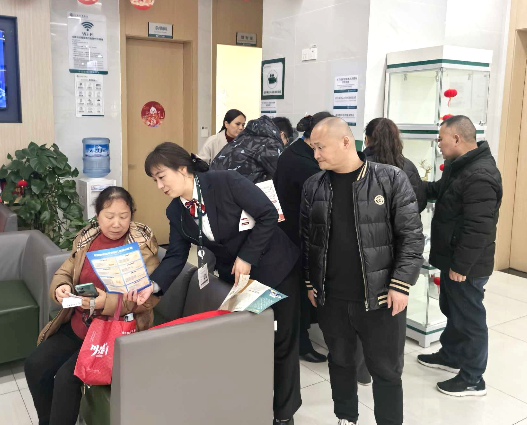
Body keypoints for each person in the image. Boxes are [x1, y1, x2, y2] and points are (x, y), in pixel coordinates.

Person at [138, 142, 301, 424]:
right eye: (154, 180)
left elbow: (267, 214)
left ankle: (284, 415)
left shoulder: (225, 182)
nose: (159, 186)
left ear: (182, 169)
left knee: (282, 341)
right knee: (249, 342)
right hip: (238, 280)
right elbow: (175, 255)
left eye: (162, 176)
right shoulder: (176, 211)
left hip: (275, 268)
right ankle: (252, 405)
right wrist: (152, 286)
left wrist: (247, 256)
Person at [300, 117, 424, 425]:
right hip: (332, 297)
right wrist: (310, 281)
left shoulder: (390, 178)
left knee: (386, 369)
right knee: (340, 362)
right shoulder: (314, 185)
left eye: (320, 147)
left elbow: (411, 237)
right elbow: (307, 239)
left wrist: (401, 283)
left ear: (346, 142)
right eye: (313, 148)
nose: (316, 154)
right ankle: (346, 417)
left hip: (380, 297)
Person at [24, 187, 161, 425]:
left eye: (124, 216)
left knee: (66, 379)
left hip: (114, 333)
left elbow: (148, 299)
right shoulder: (87, 239)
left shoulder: (142, 247)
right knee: (35, 365)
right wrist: (61, 287)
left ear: (132, 215)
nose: (117, 223)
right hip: (80, 324)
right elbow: (66, 271)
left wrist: (105, 302)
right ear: (97, 216)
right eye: (109, 216)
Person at [417, 115, 502, 397]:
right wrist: (407, 179)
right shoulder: (459, 167)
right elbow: (436, 191)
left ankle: (473, 378)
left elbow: (479, 228)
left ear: (456, 138)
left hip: (467, 265)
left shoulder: (481, 175)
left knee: (469, 318)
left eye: (441, 138)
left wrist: (462, 266)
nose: (438, 144)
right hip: (453, 258)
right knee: (452, 309)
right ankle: (451, 355)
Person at [273, 112, 332, 364]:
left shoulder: (295, 151)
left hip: (290, 232)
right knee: (299, 290)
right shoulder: (304, 163)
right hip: (296, 235)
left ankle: (302, 338)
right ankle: (301, 342)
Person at [364, 117, 427, 212]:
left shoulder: (359, 165)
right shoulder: (408, 166)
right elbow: (419, 202)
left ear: (366, 139)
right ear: (395, 139)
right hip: (402, 220)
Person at [210, 115, 284, 183]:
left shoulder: (241, 138)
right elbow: (283, 175)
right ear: (282, 134)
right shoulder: (271, 143)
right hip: (233, 189)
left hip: (212, 186)